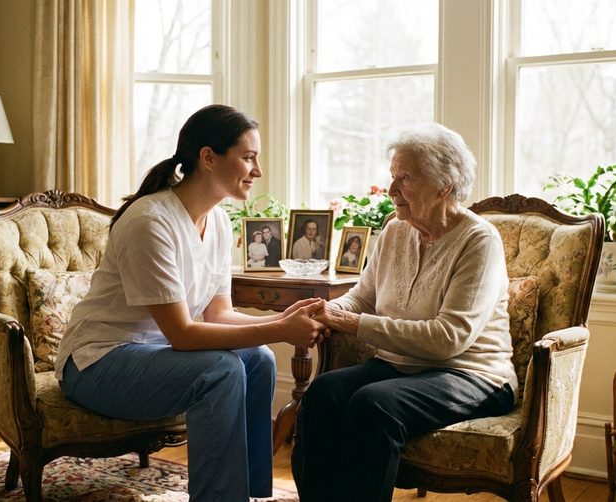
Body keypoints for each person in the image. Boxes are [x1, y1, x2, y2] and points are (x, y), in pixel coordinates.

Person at [54, 104, 328, 502]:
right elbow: (182, 334)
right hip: (96, 362)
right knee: (221, 369)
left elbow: (218, 314)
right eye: (249, 157)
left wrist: (281, 321)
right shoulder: (151, 221)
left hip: (153, 355)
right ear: (208, 158)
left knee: (259, 358)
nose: (258, 171)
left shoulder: (217, 221)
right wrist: (282, 330)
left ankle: (249, 493)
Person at [297, 123, 517, 502]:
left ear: (444, 185)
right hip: (401, 366)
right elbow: (363, 297)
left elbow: (449, 339)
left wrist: (350, 322)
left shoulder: (479, 241)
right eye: (392, 177)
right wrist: (328, 310)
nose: (392, 190)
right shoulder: (395, 230)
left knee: (374, 404)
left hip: (472, 374)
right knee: (323, 392)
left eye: (405, 178)